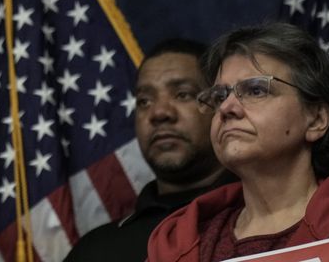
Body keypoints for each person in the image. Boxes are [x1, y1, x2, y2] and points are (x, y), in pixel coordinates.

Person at [147, 22, 329, 261]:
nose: (226, 108)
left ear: (316, 119)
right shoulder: (177, 242)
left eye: (255, 90)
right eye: (220, 96)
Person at [64, 39, 233, 261]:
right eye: (144, 101)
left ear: (221, 106)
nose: (159, 113)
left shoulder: (262, 222)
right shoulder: (94, 251)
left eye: (183, 94)